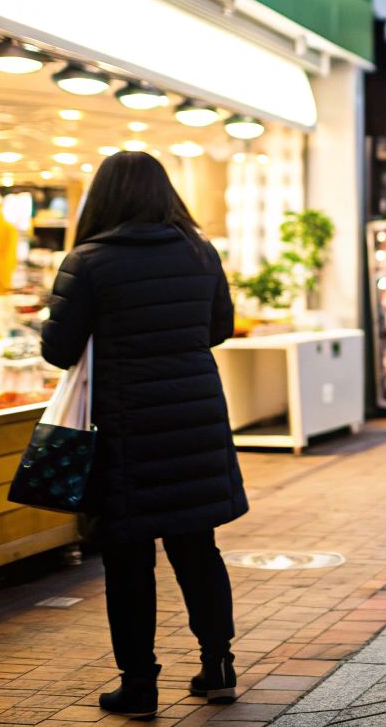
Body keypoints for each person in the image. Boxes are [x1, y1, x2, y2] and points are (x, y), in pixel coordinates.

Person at [39, 151, 245, 718]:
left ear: (102, 197)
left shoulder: (88, 260)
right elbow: (220, 327)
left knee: (128, 560)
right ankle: (218, 666)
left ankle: (140, 685)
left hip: (124, 429)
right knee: (198, 548)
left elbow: (59, 349)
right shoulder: (200, 252)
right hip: (193, 421)